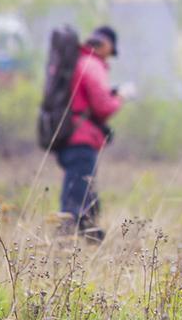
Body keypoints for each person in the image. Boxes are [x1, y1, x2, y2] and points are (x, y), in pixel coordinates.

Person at [56, 25, 132, 242]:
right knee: (76, 203)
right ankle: (67, 248)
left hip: (67, 139)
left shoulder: (78, 62)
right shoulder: (92, 65)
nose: (110, 56)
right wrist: (122, 96)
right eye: (111, 51)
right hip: (81, 140)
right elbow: (103, 107)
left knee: (83, 197)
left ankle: (86, 242)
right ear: (106, 45)